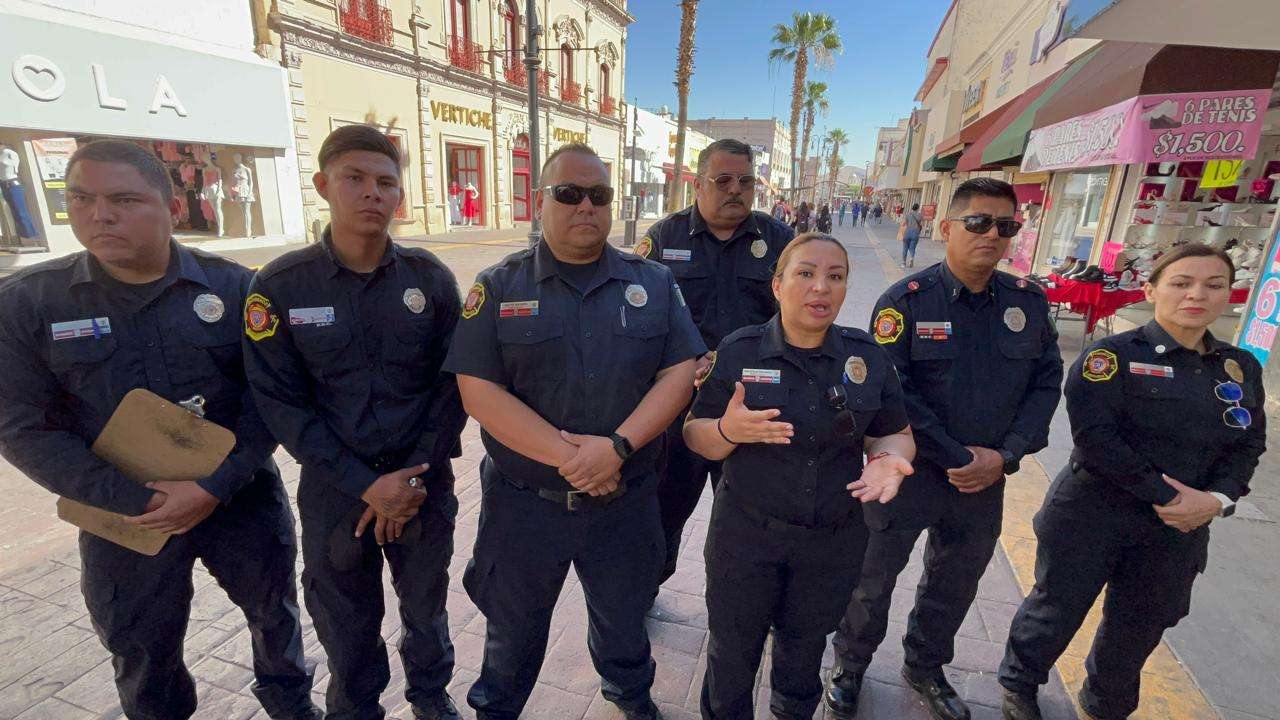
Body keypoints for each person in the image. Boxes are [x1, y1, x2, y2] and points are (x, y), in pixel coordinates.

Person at [0, 140, 319, 720]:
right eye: (82, 199)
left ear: (172, 207)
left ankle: (291, 706)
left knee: (274, 615)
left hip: (238, 499)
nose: (101, 215)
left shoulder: (236, 290)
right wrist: (137, 500)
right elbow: (21, 427)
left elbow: (270, 399)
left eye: (124, 199)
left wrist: (214, 487)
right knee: (140, 643)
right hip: (122, 515)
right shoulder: (28, 303)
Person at [443, 143, 705, 720]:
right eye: (569, 193)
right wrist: (580, 459)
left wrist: (618, 448)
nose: (586, 205)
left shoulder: (654, 281)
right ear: (541, 200)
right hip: (524, 508)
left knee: (625, 622)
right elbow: (479, 391)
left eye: (599, 194)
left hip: (624, 504)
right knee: (511, 632)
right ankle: (496, 710)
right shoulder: (499, 285)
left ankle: (630, 697)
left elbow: (679, 373)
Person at [242, 125, 467, 720]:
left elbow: (452, 386)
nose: (372, 193)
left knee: (426, 609)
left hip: (422, 485)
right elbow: (281, 403)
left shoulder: (429, 279)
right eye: (355, 178)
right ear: (323, 185)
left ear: (400, 195)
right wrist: (367, 486)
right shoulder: (279, 287)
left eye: (386, 182)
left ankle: (430, 697)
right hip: (336, 491)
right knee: (345, 620)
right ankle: (356, 708)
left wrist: (409, 479)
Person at [826, 178, 1064, 720]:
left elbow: (1046, 384)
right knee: (871, 579)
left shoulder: (1028, 303)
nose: (992, 235)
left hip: (985, 479)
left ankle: (926, 666)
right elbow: (893, 392)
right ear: (946, 226)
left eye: (1005, 225)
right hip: (910, 472)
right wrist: (959, 457)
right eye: (978, 222)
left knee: (955, 582)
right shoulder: (905, 302)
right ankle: (850, 665)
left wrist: (1005, 457)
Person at [998, 244, 1266, 720]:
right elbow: (1096, 439)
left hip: (1177, 529)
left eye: (1213, 285)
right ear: (1150, 290)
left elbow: (1248, 443)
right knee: (1056, 608)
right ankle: (1019, 684)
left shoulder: (1239, 366)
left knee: (1141, 623)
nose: (1196, 295)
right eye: (1181, 283)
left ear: (1229, 295)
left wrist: (1217, 499)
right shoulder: (1112, 356)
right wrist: (1172, 497)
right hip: (1093, 514)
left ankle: (1106, 703)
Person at [687, 233, 916, 720]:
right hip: (745, 540)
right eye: (806, 274)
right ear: (777, 285)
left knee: (804, 653)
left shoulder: (866, 357)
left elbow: (893, 433)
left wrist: (887, 458)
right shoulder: (740, 351)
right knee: (732, 655)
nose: (821, 287)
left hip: (830, 544)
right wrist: (727, 430)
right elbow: (695, 433)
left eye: (835, 277)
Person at [634, 138, 795, 588]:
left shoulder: (780, 242)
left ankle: (741, 604)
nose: (735, 190)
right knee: (662, 511)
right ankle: (646, 589)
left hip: (752, 408)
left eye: (745, 181)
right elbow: (636, 318)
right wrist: (682, 361)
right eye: (723, 180)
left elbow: (798, 322)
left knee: (749, 519)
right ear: (698, 185)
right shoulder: (663, 239)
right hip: (678, 407)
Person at [900, 203, 924, 267]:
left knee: (905, 248)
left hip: (907, 232)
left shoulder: (908, 215)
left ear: (912, 208)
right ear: (918, 208)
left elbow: (903, 224)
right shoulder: (920, 215)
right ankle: (911, 258)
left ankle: (903, 263)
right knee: (912, 248)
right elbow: (922, 225)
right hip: (915, 233)